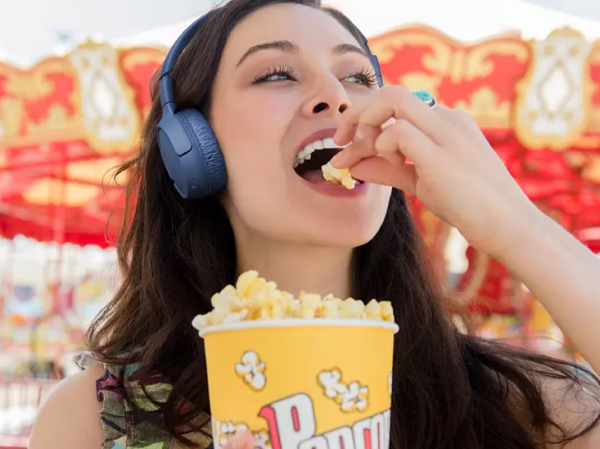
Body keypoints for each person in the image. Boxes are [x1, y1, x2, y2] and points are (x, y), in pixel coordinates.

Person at [29, 0, 600, 447]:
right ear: (194, 148)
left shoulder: (523, 406)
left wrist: (514, 223)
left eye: (358, 78)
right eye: (276, 74)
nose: (335, 96)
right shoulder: (97, 422)